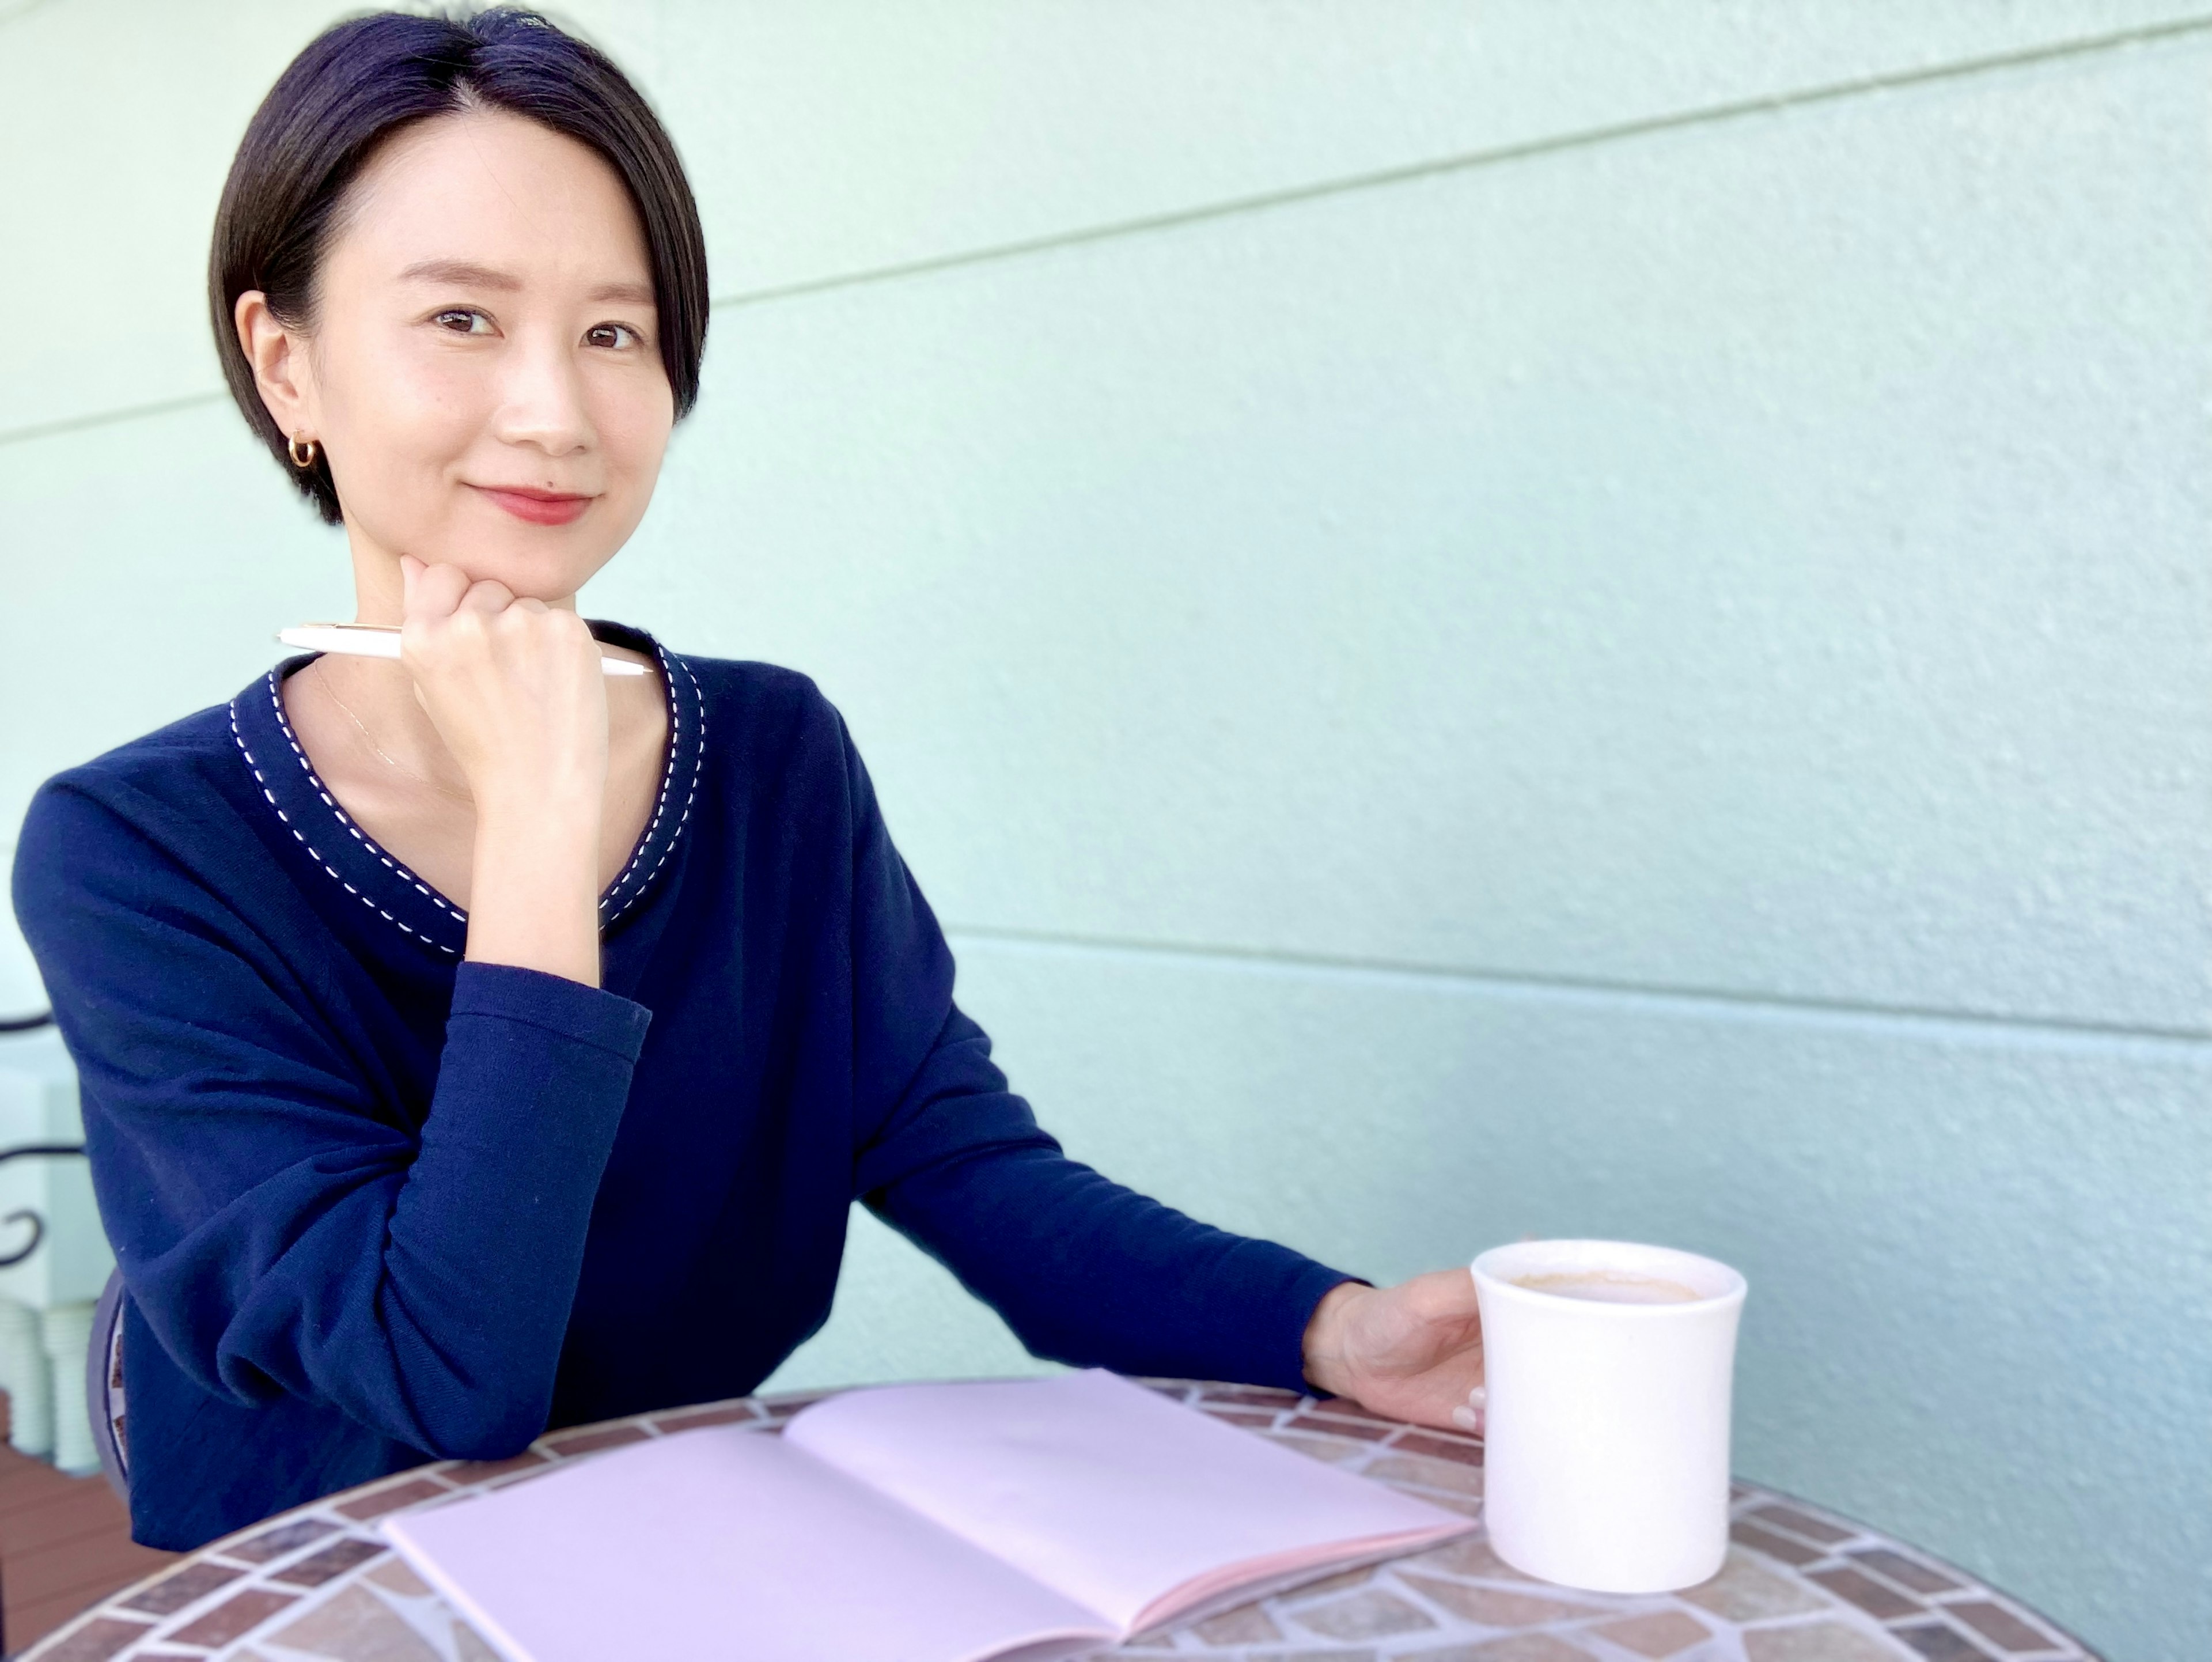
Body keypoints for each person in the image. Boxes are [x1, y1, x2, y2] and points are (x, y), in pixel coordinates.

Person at [10, 7, 1485, 1553]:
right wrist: (535, 817)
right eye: (461, 319)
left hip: (674, 1548)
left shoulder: (774, 761)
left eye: (615, 332)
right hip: (323, 1576)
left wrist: (1328, 1331)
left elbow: (964, 1162)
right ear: (287, 362)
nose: (556, 413)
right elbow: (442, 1374)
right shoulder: (137, 847)